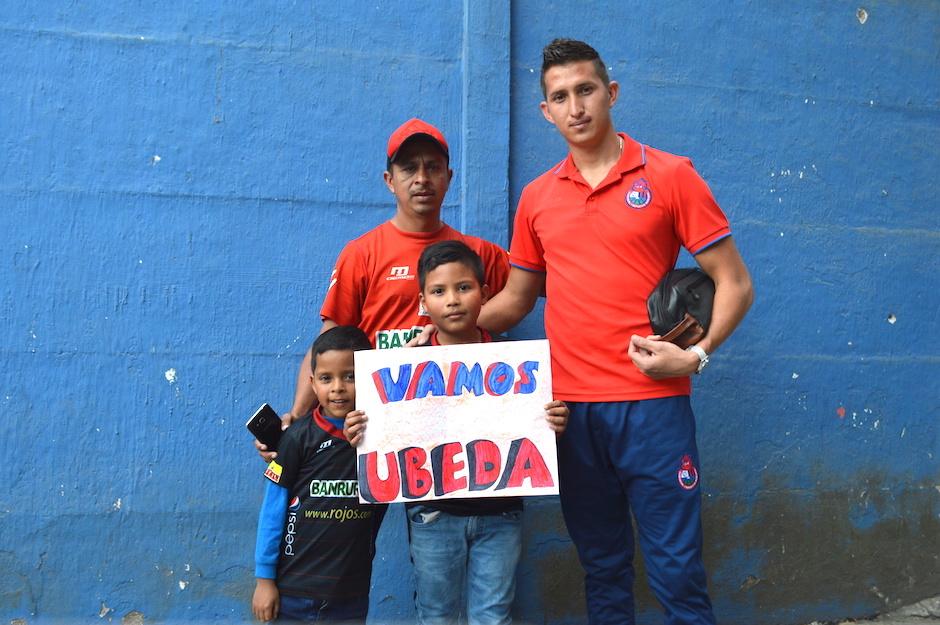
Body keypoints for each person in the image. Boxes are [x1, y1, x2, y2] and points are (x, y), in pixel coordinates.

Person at [475, 40, 755, 624]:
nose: (575, 106)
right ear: (545, 112)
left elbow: (735, 283)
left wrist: (695, 357)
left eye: (585, 90)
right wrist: (438, 323)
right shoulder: (537, 199)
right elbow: (517, 300)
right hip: (571, 412)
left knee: (677, 572)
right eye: (560, 97)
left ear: (611, 93)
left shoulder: (672, 175)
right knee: (602, 570)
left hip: (653, 407)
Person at [255, 118, 510, 463]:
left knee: (435, 516)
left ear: (449, 178)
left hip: (454, 427)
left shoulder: (481, 254)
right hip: (374, 423)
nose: (421, 178)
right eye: (409, 168)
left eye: (433, 167)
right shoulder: (362, 253)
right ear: (390, 181)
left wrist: (444, 329)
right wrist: (297, 417)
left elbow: (524, 296)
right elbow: (330, 339)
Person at [344, 240, 569, 625]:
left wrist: (553, 423)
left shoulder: (515, 367)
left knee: (493, 616)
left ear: (484, 294)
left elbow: (535, 434)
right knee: (436, 615)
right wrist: (361, 431)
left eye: (463, 288)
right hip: (432, 515)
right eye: (439, 291)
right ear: (422, 303)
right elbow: (385, 432)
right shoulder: (402, 370)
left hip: (501, 514)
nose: (452, 300)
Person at [252, 325, 383, 623]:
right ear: (312, 383)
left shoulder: (381, 439)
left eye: (350, 376)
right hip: (293, 589)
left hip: (350, 592)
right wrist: (264, 581)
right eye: (326, 378)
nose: (338, 387)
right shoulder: (298, 439)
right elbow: (273, 509)